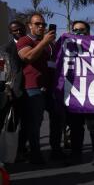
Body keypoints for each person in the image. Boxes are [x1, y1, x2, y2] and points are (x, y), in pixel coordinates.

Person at [16, 13, 65, 164]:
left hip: (50, 88)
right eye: (37, 24)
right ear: (29, 26)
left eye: (43, 24)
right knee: (35, 123)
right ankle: (35, 154)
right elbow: (27, 57)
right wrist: (44, 42)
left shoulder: (50, 43)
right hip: (33, 88)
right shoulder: (25, 40)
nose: (41, 27)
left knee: (57, 118)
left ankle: (56, 150)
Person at [66, 20, 94, 165]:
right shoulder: (67, 47)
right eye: (75, 30)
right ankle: (76, 154)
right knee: (76, 126)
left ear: (88, 32)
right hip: (75, 93)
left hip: (92, 92)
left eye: (81, 30)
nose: (78, 32)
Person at [0, 20, 27, 160]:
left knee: (29, 123)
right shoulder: (5, 49)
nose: (18, 32)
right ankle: (13, 152)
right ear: (10, 32)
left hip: (31, 88)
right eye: (15, 30)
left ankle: (22, 148)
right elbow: (2, 72)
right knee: (13, 123)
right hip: (13, 92)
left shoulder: (33, 44)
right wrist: (6, 88)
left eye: (20, 29)